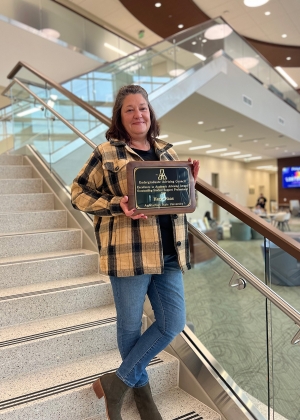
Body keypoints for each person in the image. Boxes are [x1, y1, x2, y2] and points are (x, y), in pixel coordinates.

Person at [71, 84, 199, 420]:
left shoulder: (168, 154)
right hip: (129, 254)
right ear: (120, 116)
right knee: (130, 327)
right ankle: (143, 398)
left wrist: (189, 183)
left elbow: (178, 202)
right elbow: (78, 193)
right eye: (129, 109)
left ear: (150, 113)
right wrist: (117, 205)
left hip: (169, 254)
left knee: (173, 322)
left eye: (142, 108)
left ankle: (118, 382)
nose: (137, 114)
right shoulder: (106, 153)